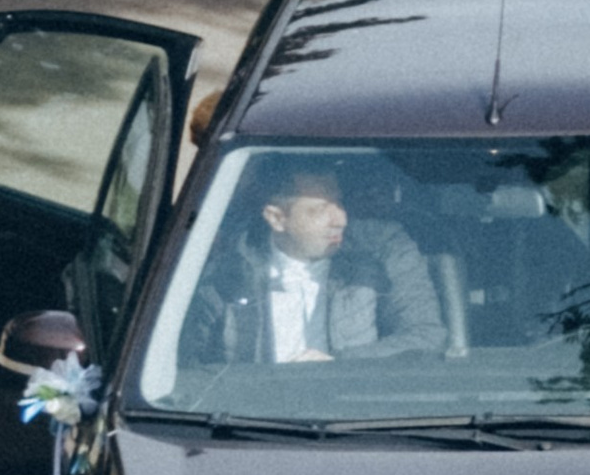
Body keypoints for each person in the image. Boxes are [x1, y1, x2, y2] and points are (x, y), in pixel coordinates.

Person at [184, 159, 443, 376]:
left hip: (355, 409)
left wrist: (338, 364)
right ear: (277, 218)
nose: (340, 220)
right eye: (319, 210)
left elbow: (426, 337)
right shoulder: (228, 272)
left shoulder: (379, 253)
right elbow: (189, 365)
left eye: (339, 204)